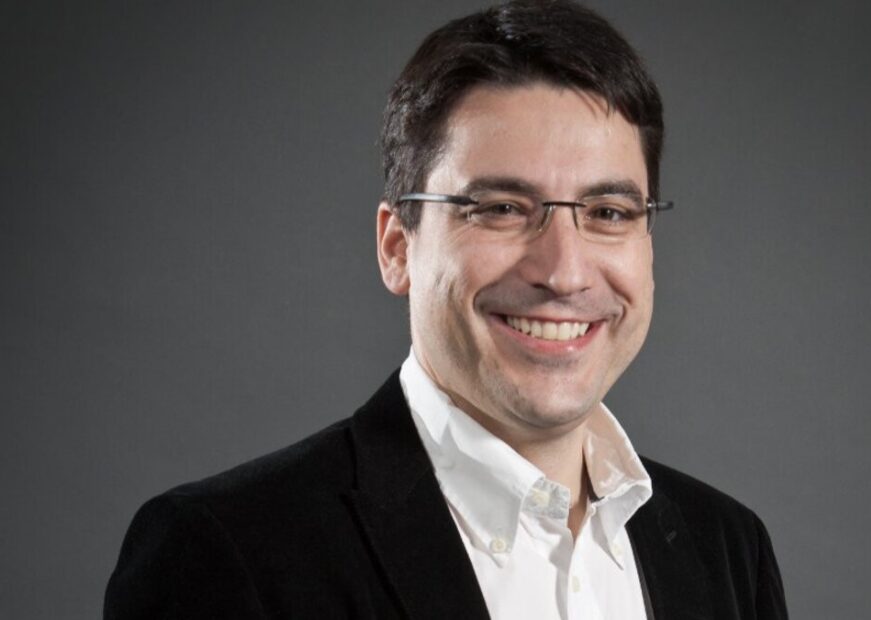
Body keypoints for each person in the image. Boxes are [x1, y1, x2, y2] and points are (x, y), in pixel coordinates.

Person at [105, 1, 788, 618]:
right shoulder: (225, 554)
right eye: (501, 209)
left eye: (608, 212)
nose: (564, 272)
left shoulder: (728, 551)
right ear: (398, 247)